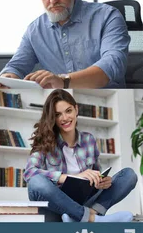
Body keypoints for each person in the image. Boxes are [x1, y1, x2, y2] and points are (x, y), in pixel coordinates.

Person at [0, 0, 129, 89]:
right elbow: (15, 67)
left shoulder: (107, 17)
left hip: (107, 104)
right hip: (58, 109)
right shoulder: (35, 30)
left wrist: (63, 81)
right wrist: (7, 78)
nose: (53, 0)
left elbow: (113, 64)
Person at [24, 89, 137, 222]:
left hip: (85, 200)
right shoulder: (45, 141)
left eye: (68, 111)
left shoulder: (89, 140)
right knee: (37, 182)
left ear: (76, 109)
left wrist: (101, 182)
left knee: (129, 175)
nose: (65, 118)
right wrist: (70, 177)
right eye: (58, 114)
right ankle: (91, 218)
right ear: (52, 118)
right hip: (58, 205)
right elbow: (29, 173)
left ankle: (86, 215)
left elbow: (96, 173)